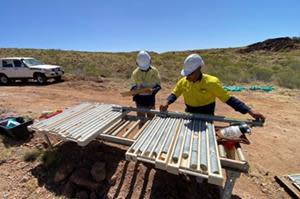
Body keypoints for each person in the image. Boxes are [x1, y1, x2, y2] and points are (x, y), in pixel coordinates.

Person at [159, 54, 265, 121]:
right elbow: (175, 93)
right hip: (190, 114)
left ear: (199, 69)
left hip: (207, 115)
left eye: (190, 74)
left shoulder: (211, 82)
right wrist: (167, 102)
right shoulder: (183, 81)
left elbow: (228, 99)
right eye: (186, 74)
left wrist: (250, 111)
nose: (187, 77)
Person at [131, 51, 161, 119]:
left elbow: (159, 85)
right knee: (141, 118)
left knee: (151, 119)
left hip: (150, 99)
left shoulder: (154, 71)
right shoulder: (135, 73)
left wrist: (153, 91)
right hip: (139, 100)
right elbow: (132, 87)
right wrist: (135, 90)